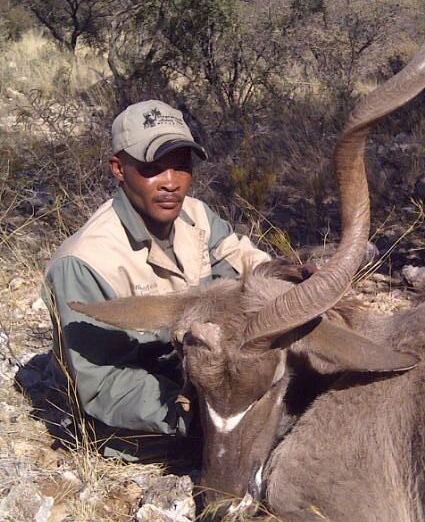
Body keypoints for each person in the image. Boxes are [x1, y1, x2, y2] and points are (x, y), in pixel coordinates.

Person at [43, 100, 270, 459]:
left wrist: (290, 282)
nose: (171, 183)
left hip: (204, 379)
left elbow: (246, 268)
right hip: (142, 414)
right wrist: (198, 414)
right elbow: (103, 386)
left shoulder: (197, 217)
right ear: (119, 169)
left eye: (181, 167)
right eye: (152, 168)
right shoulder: (85, 263)